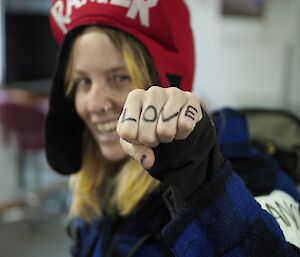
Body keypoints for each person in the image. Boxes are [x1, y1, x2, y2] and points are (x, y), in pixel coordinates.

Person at [46, 0, 300, 256]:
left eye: (120, 77)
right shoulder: (97, 176)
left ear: (163, 85)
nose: (95, 103)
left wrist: (205, 188)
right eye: (83, 81)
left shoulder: (251, 172)